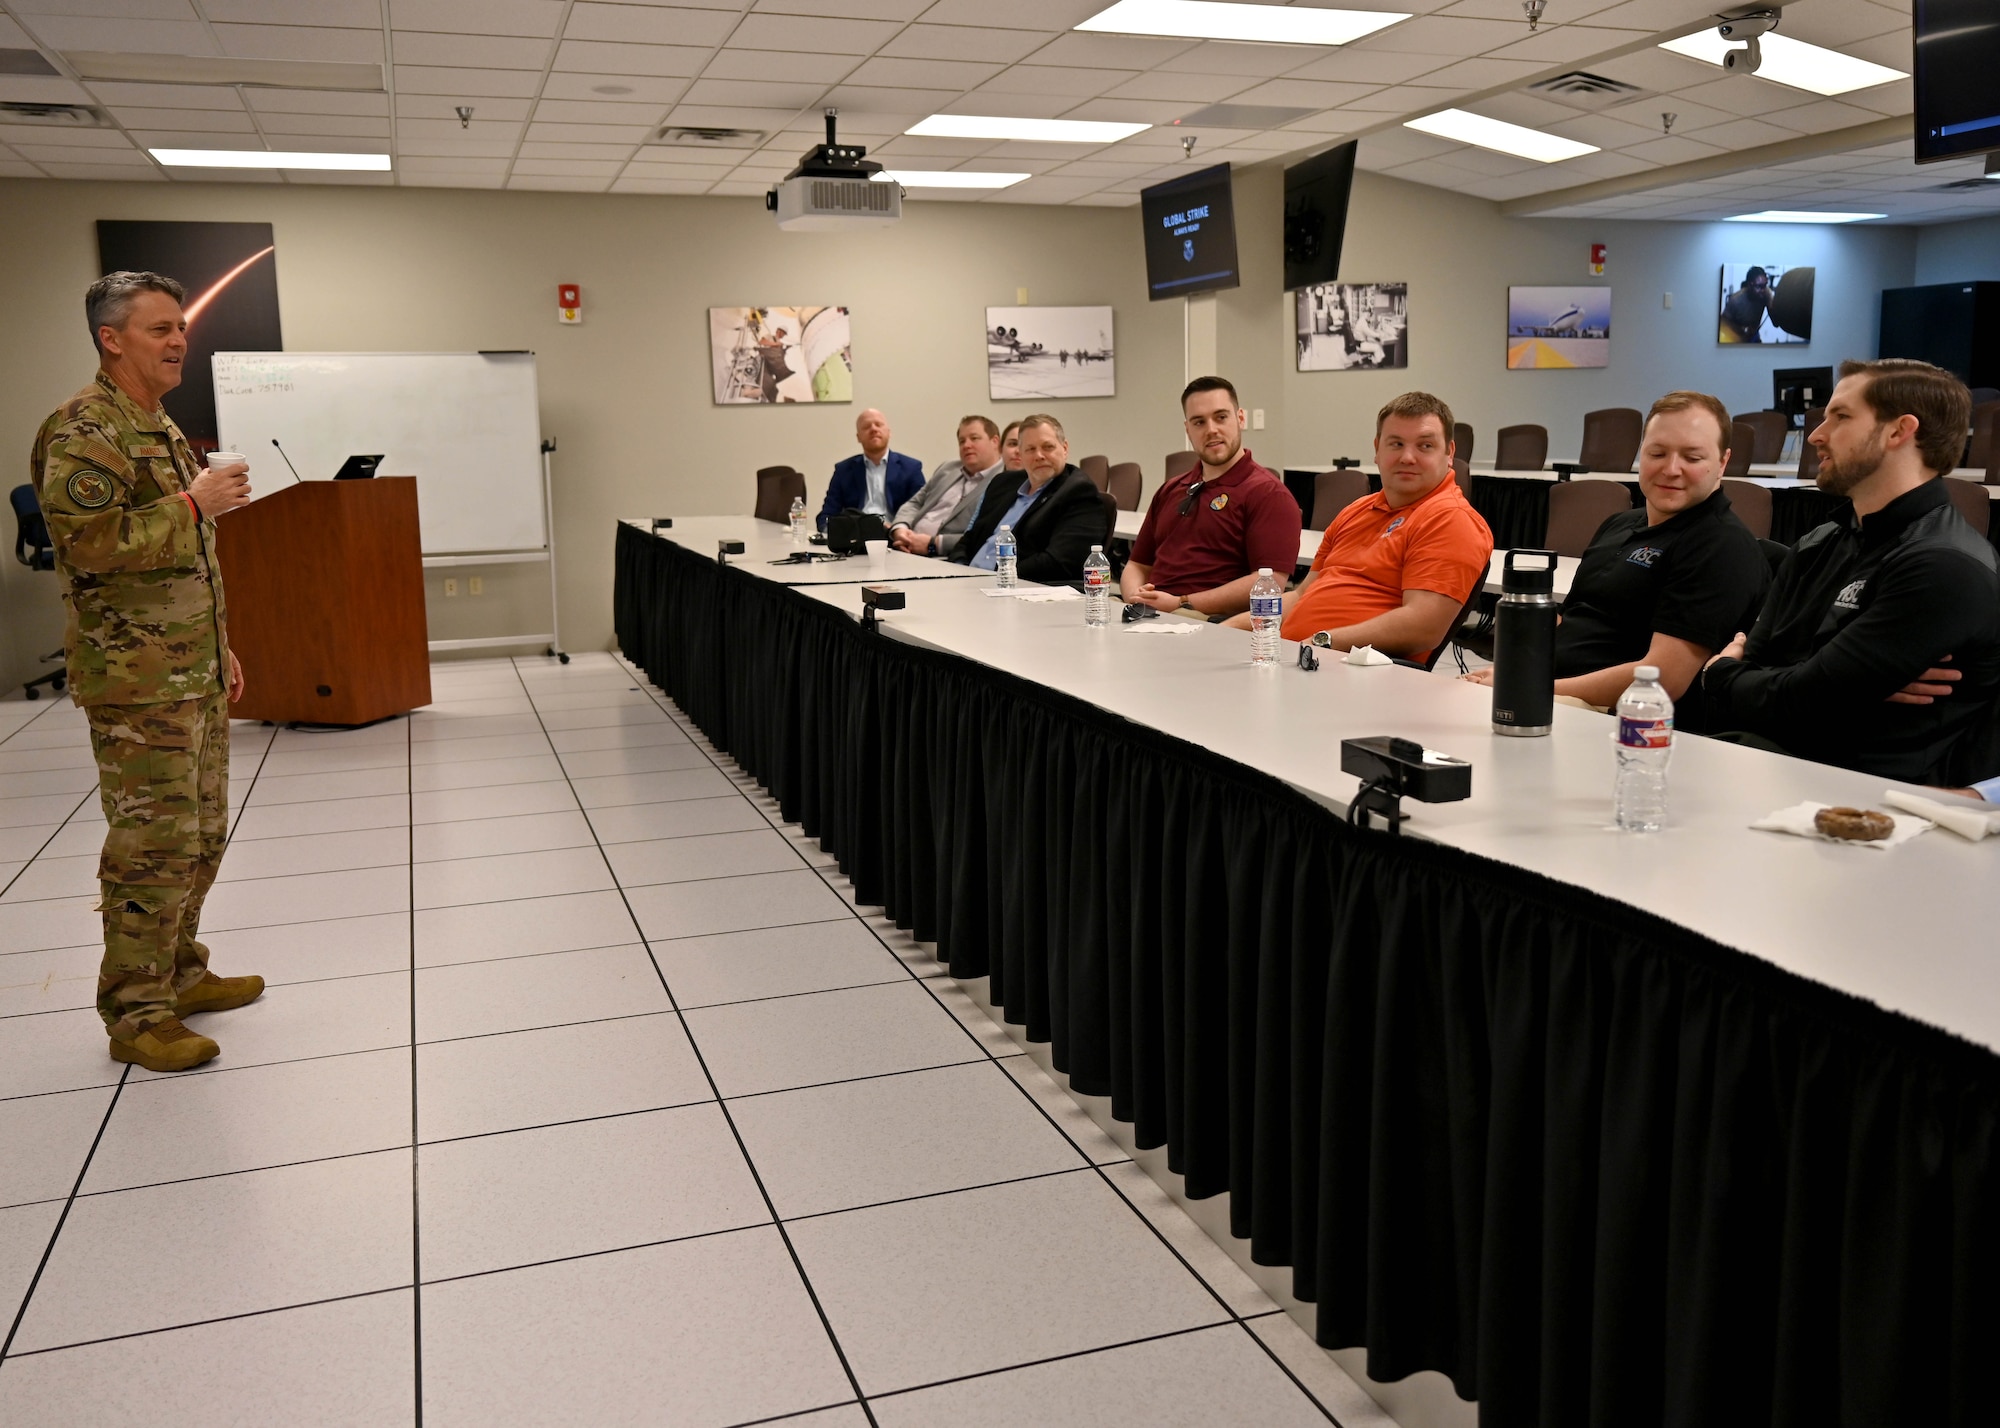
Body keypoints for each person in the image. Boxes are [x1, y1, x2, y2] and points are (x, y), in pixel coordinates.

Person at [32, 271, 263, 1074]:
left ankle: (180, 974)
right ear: (111, 338)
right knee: (150, 848)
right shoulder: (83, 430)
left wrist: (218, 642)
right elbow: (91, 544)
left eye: (180, 329)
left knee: (200, 836)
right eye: (160, 329)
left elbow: (181, 562)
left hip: (187, 668)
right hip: (135, 685)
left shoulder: (154, 424)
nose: (177, 342)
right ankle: (135, 1013)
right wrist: (197, 503)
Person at [1702, 358, 2000, 783]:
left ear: (1899, 431)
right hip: (1772, 767)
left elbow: (1799, 699)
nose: (1817, 437)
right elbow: (1782, 675)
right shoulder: (1819, 542)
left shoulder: (1942, 565)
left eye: (1840, 417)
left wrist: (1720, 673)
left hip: (1861, 801)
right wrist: (1814, 681)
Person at [1462, 391, 1769, 709]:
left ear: (1722, 463)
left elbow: (1665, 679)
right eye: (1657, 453)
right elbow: (1571, 622)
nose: (1671, 469)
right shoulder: (1618, 525)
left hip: (1618, 715)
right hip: (1549, 688)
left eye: (1692, 458)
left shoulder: (1720, 546)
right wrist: (1507, 670)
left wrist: (1526, 687)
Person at [1225, 392, 1492, 665]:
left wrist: (1322, 641)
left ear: (1449, 453)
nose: (1407, 457)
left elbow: (1423, 627)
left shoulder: (1450, 519)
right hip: (1296, 660)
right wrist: (1225, 631)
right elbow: (1300, 596)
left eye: (1425, 446)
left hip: (1354, 674)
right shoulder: (1357, 511)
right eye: (1396, 443)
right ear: (1377, 449)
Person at [1121, 376, 1302, 619]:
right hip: (1153, 612)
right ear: (1188, 429)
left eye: (1221, 417)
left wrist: (1180, 602)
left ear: (1240, 419)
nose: (1211, 429)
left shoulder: (1269, 494)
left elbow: (1270, 583)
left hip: (1206, 618)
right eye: (1199, 422)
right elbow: (1137, 565)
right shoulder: (1171, 489)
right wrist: (1135, 596)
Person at [949, 413, 1107, 583]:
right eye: (1030, 449)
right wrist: (958, 569)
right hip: (967, 581)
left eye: (1048, 447)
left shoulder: (1079, 492)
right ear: (1021, 455)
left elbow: (1059, 561)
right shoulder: (1002, 483)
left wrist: (994, 578)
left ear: (1065, 448)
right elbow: (970, 539)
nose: (1039, 455)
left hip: (1014, 589)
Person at [889, 414, 1003, 557]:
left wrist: (933, 544)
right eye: (962, 441)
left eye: (974, 438)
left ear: (995, 441)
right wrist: (900, 529)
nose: (966, 445)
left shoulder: (1003, 481)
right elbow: (915, 503)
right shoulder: (947, 468)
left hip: (946, 558)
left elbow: (987, 536)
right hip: (906, 548)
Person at [817, 407, 923, 531]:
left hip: (895, 534)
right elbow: (827, 514)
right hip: (855, 536)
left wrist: (900, 529)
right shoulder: (843, 470)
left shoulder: (911, 468)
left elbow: (921, 510)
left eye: (878, 424)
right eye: (867, 426)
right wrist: (831, 532)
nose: (873, 429)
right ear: (858, 437)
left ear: (889, 432)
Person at [1720, 267, 1772, 344]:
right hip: (1735, 338)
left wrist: (1770, 296)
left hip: (1754, 337)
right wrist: (1741, 330)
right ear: (1749, 285)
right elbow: (1723, 324)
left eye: (1765, 286)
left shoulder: (1765, 294)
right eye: (1759, 287)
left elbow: (1776, 322)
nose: (1763, 290)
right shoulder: (1735, 300)